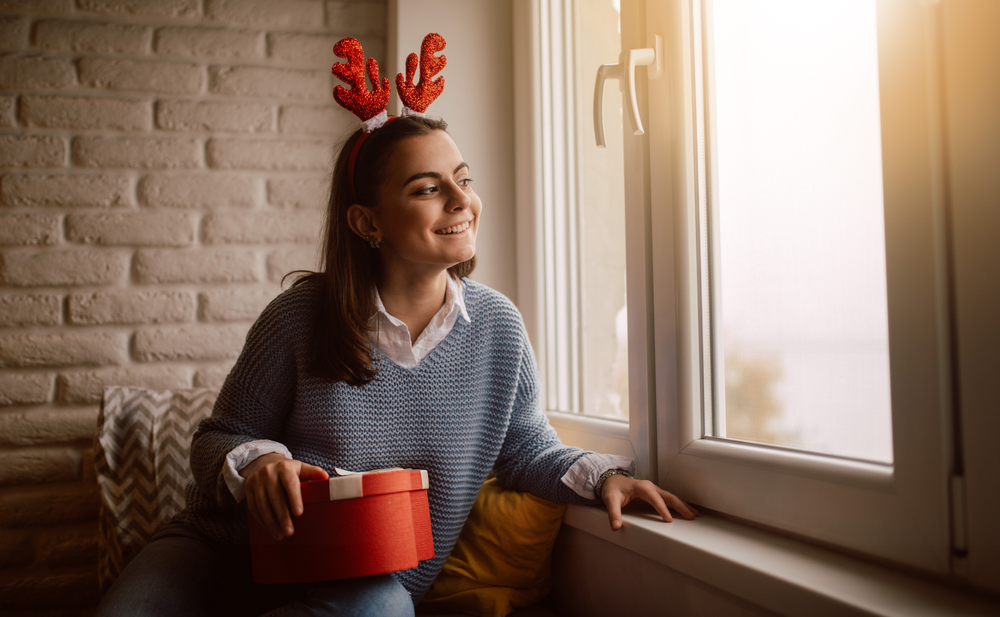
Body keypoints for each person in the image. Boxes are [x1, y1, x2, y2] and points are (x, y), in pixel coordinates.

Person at [96, 41, 696, 617]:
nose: (462, 200)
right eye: (428, 189)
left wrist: (607, 478)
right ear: (366, 222)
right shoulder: (299, 317)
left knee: (385, 606)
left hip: (358, 587)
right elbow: (218, 438)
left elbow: (526, 451)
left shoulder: (497, 329)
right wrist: (258, 463)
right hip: (217, 557)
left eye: (463, 177)